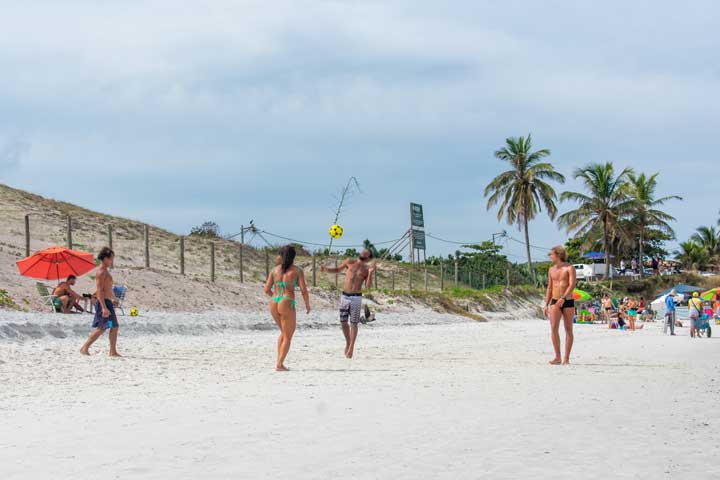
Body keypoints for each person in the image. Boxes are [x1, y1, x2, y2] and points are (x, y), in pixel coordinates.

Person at [321, 249, 375, 358]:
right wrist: (326, 269)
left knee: (354, 323)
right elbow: (337, 269)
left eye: (366, 253)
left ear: (368, 257)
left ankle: (351, 348)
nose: (363, 253)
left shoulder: (366, 269)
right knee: (343, 322)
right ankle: (348, 342)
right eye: (363, 251)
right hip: (345, 296)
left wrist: (370, 273)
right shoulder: (349, 261)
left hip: (356, 297)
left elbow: (368, 287)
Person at [263, 245, 310, 371]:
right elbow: (304, 290)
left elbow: (267, 289)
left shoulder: (274, 270)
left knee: (283, 333)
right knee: (288, 336)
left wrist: (275, 298)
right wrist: (307, 304)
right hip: (287, 301)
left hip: (274, 301)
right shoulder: (297, 271)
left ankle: (280, 363)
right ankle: (279, 364)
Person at [80, 247, 121, 356]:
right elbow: (99, 290)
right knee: (102, 328)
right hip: (103, 304)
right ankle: (84, 347)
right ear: (105, 258)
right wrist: (103, 307)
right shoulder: (101, 272)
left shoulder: (106, 272)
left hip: (108, 303)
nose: (112, 261)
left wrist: (114, 299)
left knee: (113, 326)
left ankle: (112, 351)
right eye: (111, 258)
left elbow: (108, 289)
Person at [543, 245, 576, 365]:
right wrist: (546, 304)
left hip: (567, 301)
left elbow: (572, 285)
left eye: (551, 254)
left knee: (568, 330)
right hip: (554, 300)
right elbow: (550, 287)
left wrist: (563, 297)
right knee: (553, 328)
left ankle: (566, 358)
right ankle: (557, 357)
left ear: (558, 255)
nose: (550, 256)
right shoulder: (551, 270)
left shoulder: (569, 268)